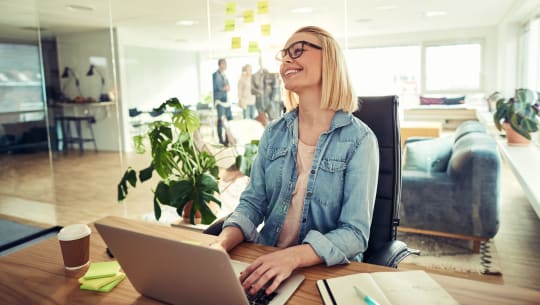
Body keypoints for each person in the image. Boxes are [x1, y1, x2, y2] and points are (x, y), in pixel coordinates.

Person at [210, 26, 379, 296]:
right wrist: (219, 246)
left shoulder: (360, 140)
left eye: (297, 50)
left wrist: (292, 257)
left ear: (330, 58)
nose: (286, 60)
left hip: (324, 273)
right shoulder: (274, 133)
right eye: (284, 55)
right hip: (267, 262)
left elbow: (355, 234)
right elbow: (253, 203)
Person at [212, 58, 233, 145]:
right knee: (221, 120)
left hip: (226, 101)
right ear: (220, 65)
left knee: (228, 119)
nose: (226, 65)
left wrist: (226, 88)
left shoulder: (225, 75)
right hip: (219, 101)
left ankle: (227, 139)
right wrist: (225, 88)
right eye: (224, 64)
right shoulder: (215, 75)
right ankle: (221, 140)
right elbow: (218, 87)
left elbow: (228, 87)